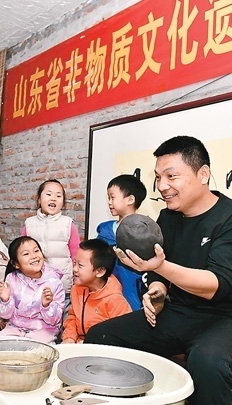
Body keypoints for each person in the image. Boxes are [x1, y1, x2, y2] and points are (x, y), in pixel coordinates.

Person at [84, 135, 232, 405]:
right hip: (179, 312)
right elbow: (156, 267)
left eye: (171, 176)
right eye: (158, 177)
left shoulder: (228, 217)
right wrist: (157, 292)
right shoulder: (167, 216)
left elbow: (216, 284)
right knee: (101, 336)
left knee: (208, 363)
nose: (162, 186)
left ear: (203, 174)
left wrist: (161, 267)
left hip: (224, 319)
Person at [21, 179, 80, 320]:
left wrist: (76, 282)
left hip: (62, 286)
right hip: (34, 286)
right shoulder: (29, 224)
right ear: (39, 199)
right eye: (48, 194)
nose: (53, 198)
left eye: (58, 196)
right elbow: (21, 254)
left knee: (63, 322)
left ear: (63, 203)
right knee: (37, 322)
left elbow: (76, 256)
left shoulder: (68, 225)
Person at [0, 236, 65, 344]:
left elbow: (55, 320)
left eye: (36, 251)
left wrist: (46, 306)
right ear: (16, 264)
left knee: (39, 350)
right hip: (14, 328)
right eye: (26, 254)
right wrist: (5, 300)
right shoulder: (11, 279)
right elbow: (4, 315)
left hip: (43, 331)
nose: (34, 256)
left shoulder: (54, 282)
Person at [62, 239, 131, 343]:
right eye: (74, 263)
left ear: (100, 271)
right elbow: (73, 317)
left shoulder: (115, 300)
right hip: (78, 344)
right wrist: (69, 338)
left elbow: (122, 335)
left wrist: (89, 344)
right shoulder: (76, 289)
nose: (74, 269)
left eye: (80, 265)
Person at [96, 174, 147, 310]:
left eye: (112, 197)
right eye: (108, 198)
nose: (109, 202)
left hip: (133, 295)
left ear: (130, 200)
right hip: (105, 295)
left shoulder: (145, 233)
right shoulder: (104, 231)